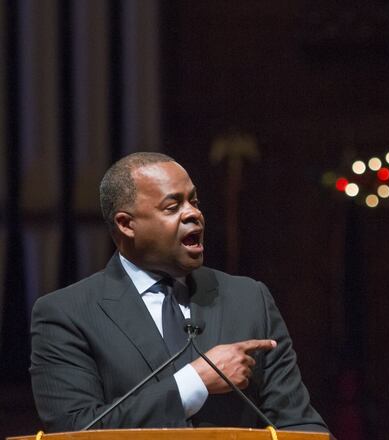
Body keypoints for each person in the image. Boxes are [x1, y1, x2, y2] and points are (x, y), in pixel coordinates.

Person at [29, 152, 330, 434]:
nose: (193, 214)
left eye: (194, 202)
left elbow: (299, 425)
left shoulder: (249, 299)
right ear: (126, 224)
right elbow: (75, 431)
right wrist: (194, 381)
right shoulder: (67, 314)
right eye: (172, 207)